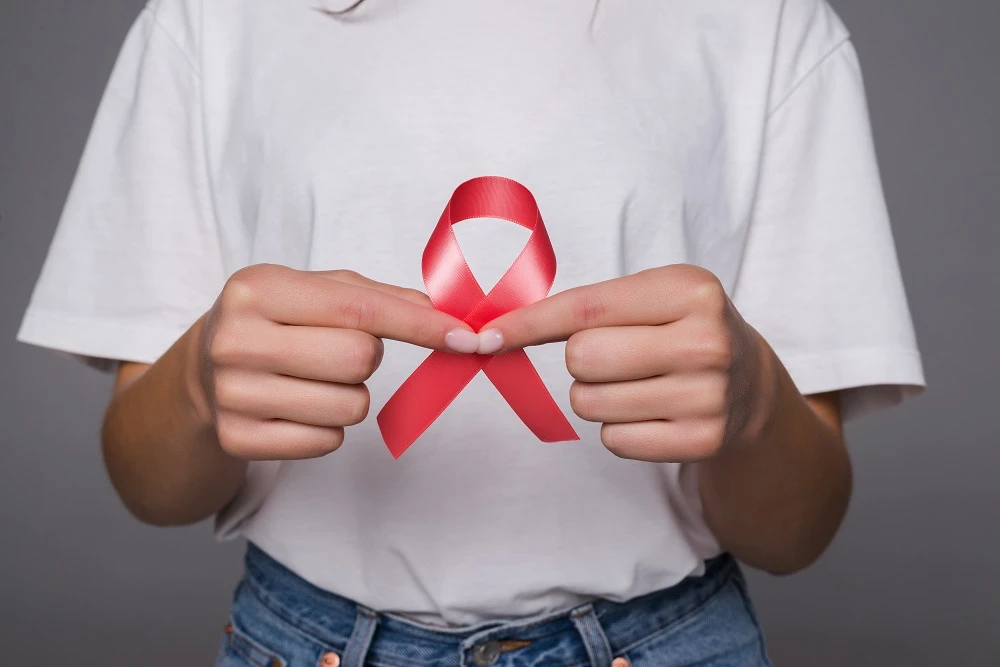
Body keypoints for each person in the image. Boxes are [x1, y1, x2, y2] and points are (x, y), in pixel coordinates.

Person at [18, 0, 925, 665]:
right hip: (307, 642)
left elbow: (796, 532)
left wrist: (759, 401)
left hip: (665, 642)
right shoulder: (210, 21)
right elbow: (149, 485)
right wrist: (191, 388)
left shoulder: (770, 25)